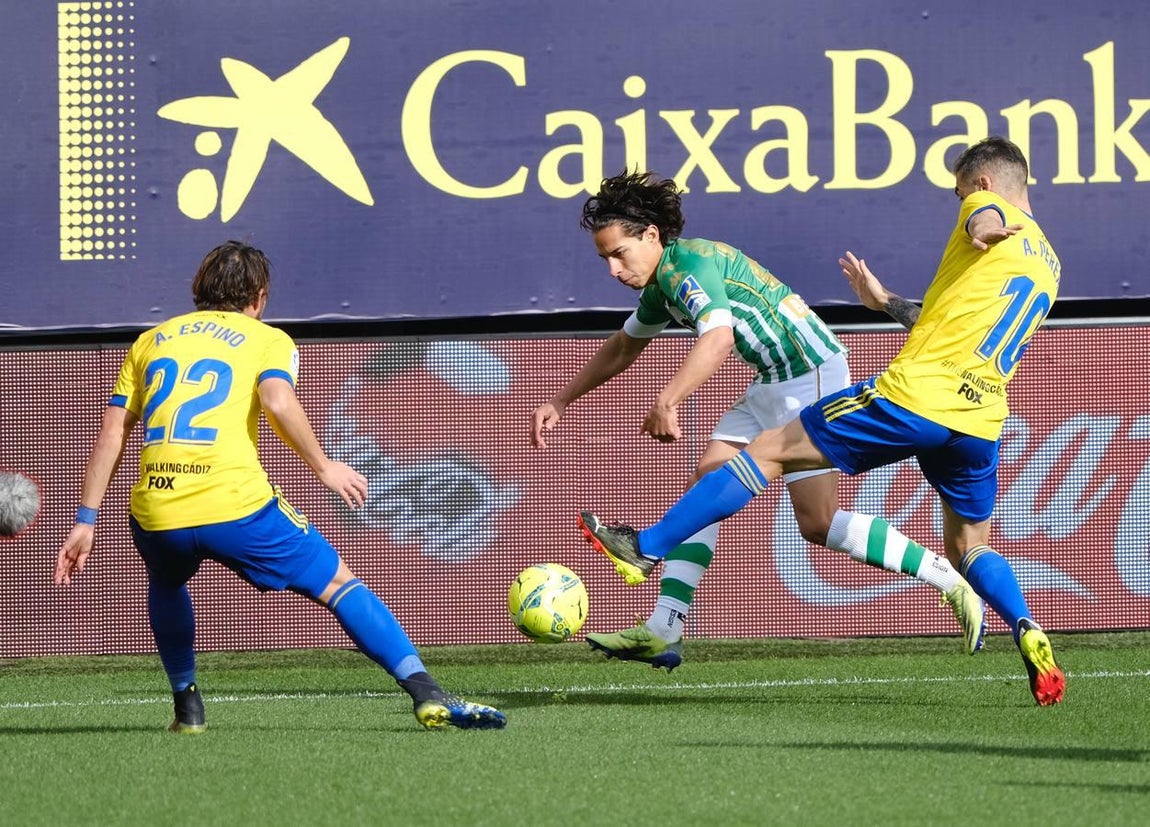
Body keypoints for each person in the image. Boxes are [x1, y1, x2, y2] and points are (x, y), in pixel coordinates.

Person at [578, 138, 1066, 706]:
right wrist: (883, 301)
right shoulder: (1048, 260)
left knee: (772, 462)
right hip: (980, 415)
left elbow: (983, 214)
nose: (959, 203)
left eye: (960, 193)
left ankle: (648, 545)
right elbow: (939, 320)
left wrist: (978, 221)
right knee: (971, 545)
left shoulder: (986, 211)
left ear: (981, 184)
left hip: (906, 395)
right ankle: (1027, 626)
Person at [531, 170, 986, 671]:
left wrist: (670, 398)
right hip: (774, 379)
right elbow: (622, 346)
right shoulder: (664, 284)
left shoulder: (689, 267)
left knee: (816, 521)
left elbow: (719, 339)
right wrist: (560, 400)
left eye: (619, 253)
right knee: (712, 477)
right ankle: (664, 625)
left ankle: (946, 577)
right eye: (605, 259)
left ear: (652, 236)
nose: (614, 269)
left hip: (809, 373)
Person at [55, 241, 506, 733]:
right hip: (236, 507)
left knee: (166, 582)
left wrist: (85, 519)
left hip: (158, 508)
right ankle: (426, 692)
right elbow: (277, 400)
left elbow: (114, 429)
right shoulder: (266, 338)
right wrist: (324, 465)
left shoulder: (151, 341)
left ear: (198, 290)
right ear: (260, 298)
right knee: (339, 584)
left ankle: (187, 706)